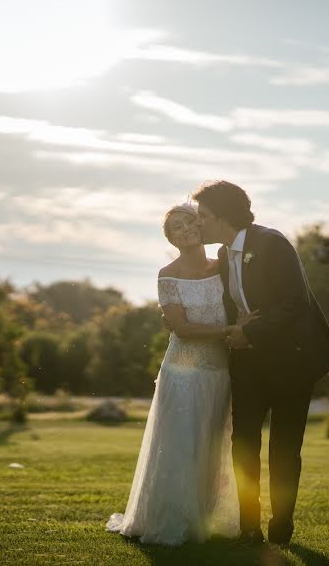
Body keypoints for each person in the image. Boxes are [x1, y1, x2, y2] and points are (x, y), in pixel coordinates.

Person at [192, 180, 329, 545]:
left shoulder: (273, 243)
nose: (198, 224)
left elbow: (295, 302)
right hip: (246, 363)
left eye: (204, 217)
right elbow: (230, 306)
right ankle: (249, 528)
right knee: (243, 443)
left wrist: (252, 331)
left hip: (292, 360)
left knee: (285, 447)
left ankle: (282, 526)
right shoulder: (225, 256)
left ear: (224, 216)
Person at [106, 202, 258, 545]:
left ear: (202, 225)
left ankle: (202, 518)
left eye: (191, 221)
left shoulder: (224, 266)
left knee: (211, 445)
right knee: (180, 445)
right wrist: (232, 331)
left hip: (221, 371)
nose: (186, 229)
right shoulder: (167, 274)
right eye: (177, 226)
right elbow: (181, 328)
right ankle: (170, 519)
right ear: (169, 237)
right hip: (183, 371)